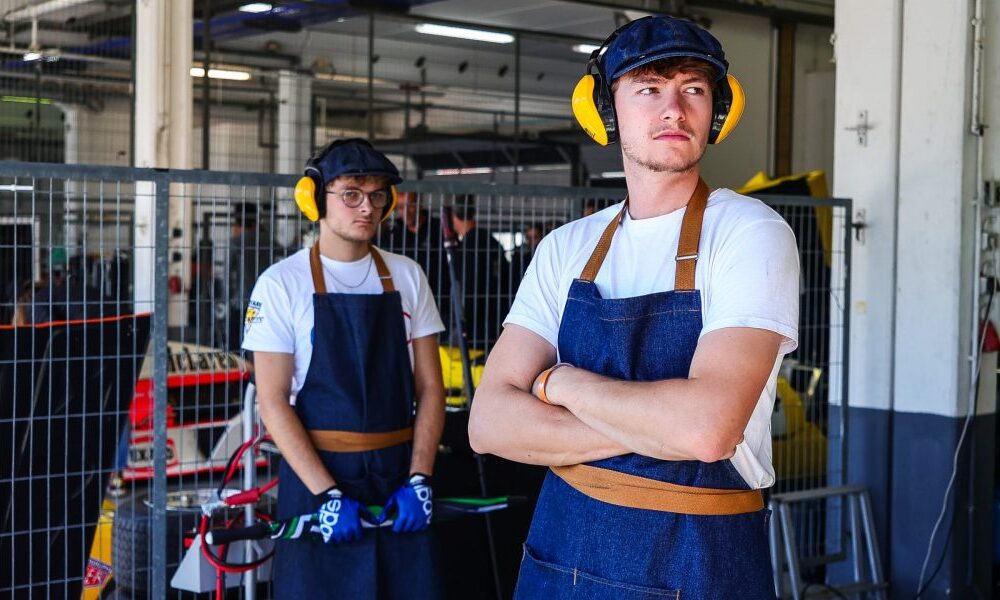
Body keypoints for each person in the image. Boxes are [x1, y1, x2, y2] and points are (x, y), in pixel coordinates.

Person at [469, 15, 799, 599]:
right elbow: (488, 424)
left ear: (718, 111)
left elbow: (706, 432)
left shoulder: (749, 232)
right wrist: (659, 425)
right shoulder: (565, 248)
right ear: (604, 110)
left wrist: (562, 383)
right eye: (649, 88)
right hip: (560, 548)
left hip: (694, 552)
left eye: (693, 89)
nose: (674, 109)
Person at [243, 138, 446, 599]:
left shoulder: (408, 276)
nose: (367, 207)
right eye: (351, 194)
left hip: (399, 481)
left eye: (377, 195)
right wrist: (327, 494)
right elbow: (272, 402)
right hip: (318, 482)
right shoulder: (280, 285)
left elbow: (431, 389)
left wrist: (420, 477)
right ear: (314, 198)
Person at [450, 194, 511, 349]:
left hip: (472, 321)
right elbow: (506, 278)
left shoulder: (462, 249)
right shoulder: (491, 241)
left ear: (454, 217)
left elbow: (465, 287)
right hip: (497, 315)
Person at [227, 201, 282, 352]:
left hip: (241, 302)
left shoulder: (236, 241)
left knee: (237, 345)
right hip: (264, 301)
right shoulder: (267, 240)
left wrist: (227, 299)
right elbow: (285, 253)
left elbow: (227, 273)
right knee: (260, 343)